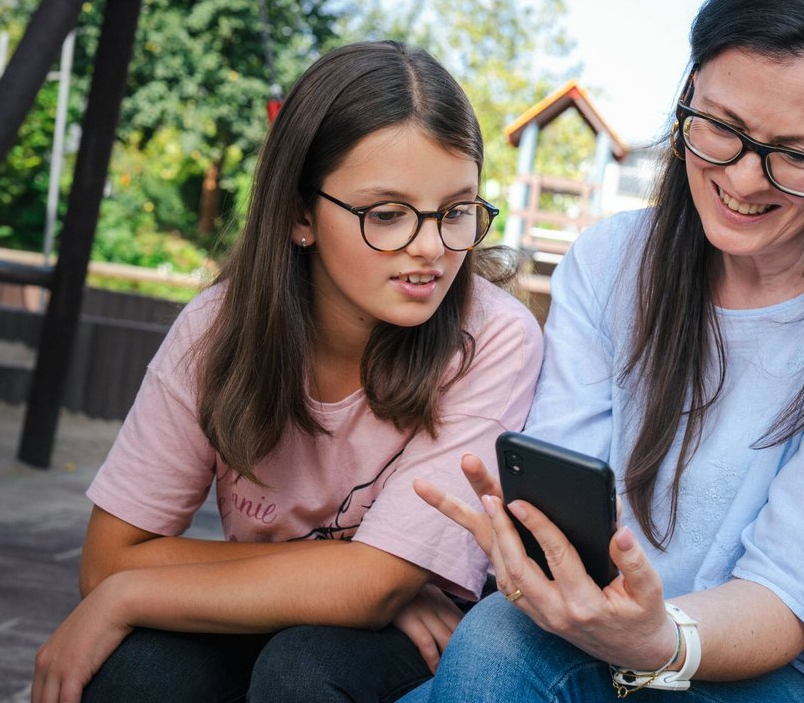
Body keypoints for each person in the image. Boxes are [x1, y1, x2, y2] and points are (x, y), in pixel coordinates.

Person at [403, 0, 804, 703]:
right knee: (492, 638)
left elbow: (790, 602)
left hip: (778, 674)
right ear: (689, 88)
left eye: (796, 156)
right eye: (720, 126)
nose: (742, 179)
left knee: (491, 650)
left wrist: (657, 638)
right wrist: (530, 557)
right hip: (598, 638)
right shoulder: (612, 261)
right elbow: (569, 508)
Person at [30, 41, 544, 703]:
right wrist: (360, 576)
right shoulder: (218, 329)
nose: (430, 248)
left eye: (455, 212)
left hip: (412, 638)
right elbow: (109, 557)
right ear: (301, 214)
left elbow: (373, 587)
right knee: (135, 674)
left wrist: (374, 585)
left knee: (301, 669)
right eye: (386, 214)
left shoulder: (491, 336)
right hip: (271, 604)